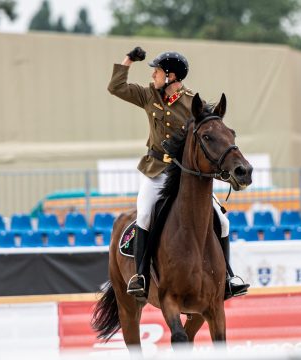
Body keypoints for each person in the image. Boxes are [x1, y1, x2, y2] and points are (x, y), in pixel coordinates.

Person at [107, 46, 249, 299]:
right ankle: (140, 276)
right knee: (144, 214)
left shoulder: (193, 103)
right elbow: (116, 88)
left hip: (183, 174)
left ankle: (228, 277)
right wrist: (128, 60)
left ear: (172, 77)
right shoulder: (149, 96)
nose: (154, 76)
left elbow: (213, 135)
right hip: (155, 171)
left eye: (158, 72)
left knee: (223, 220)